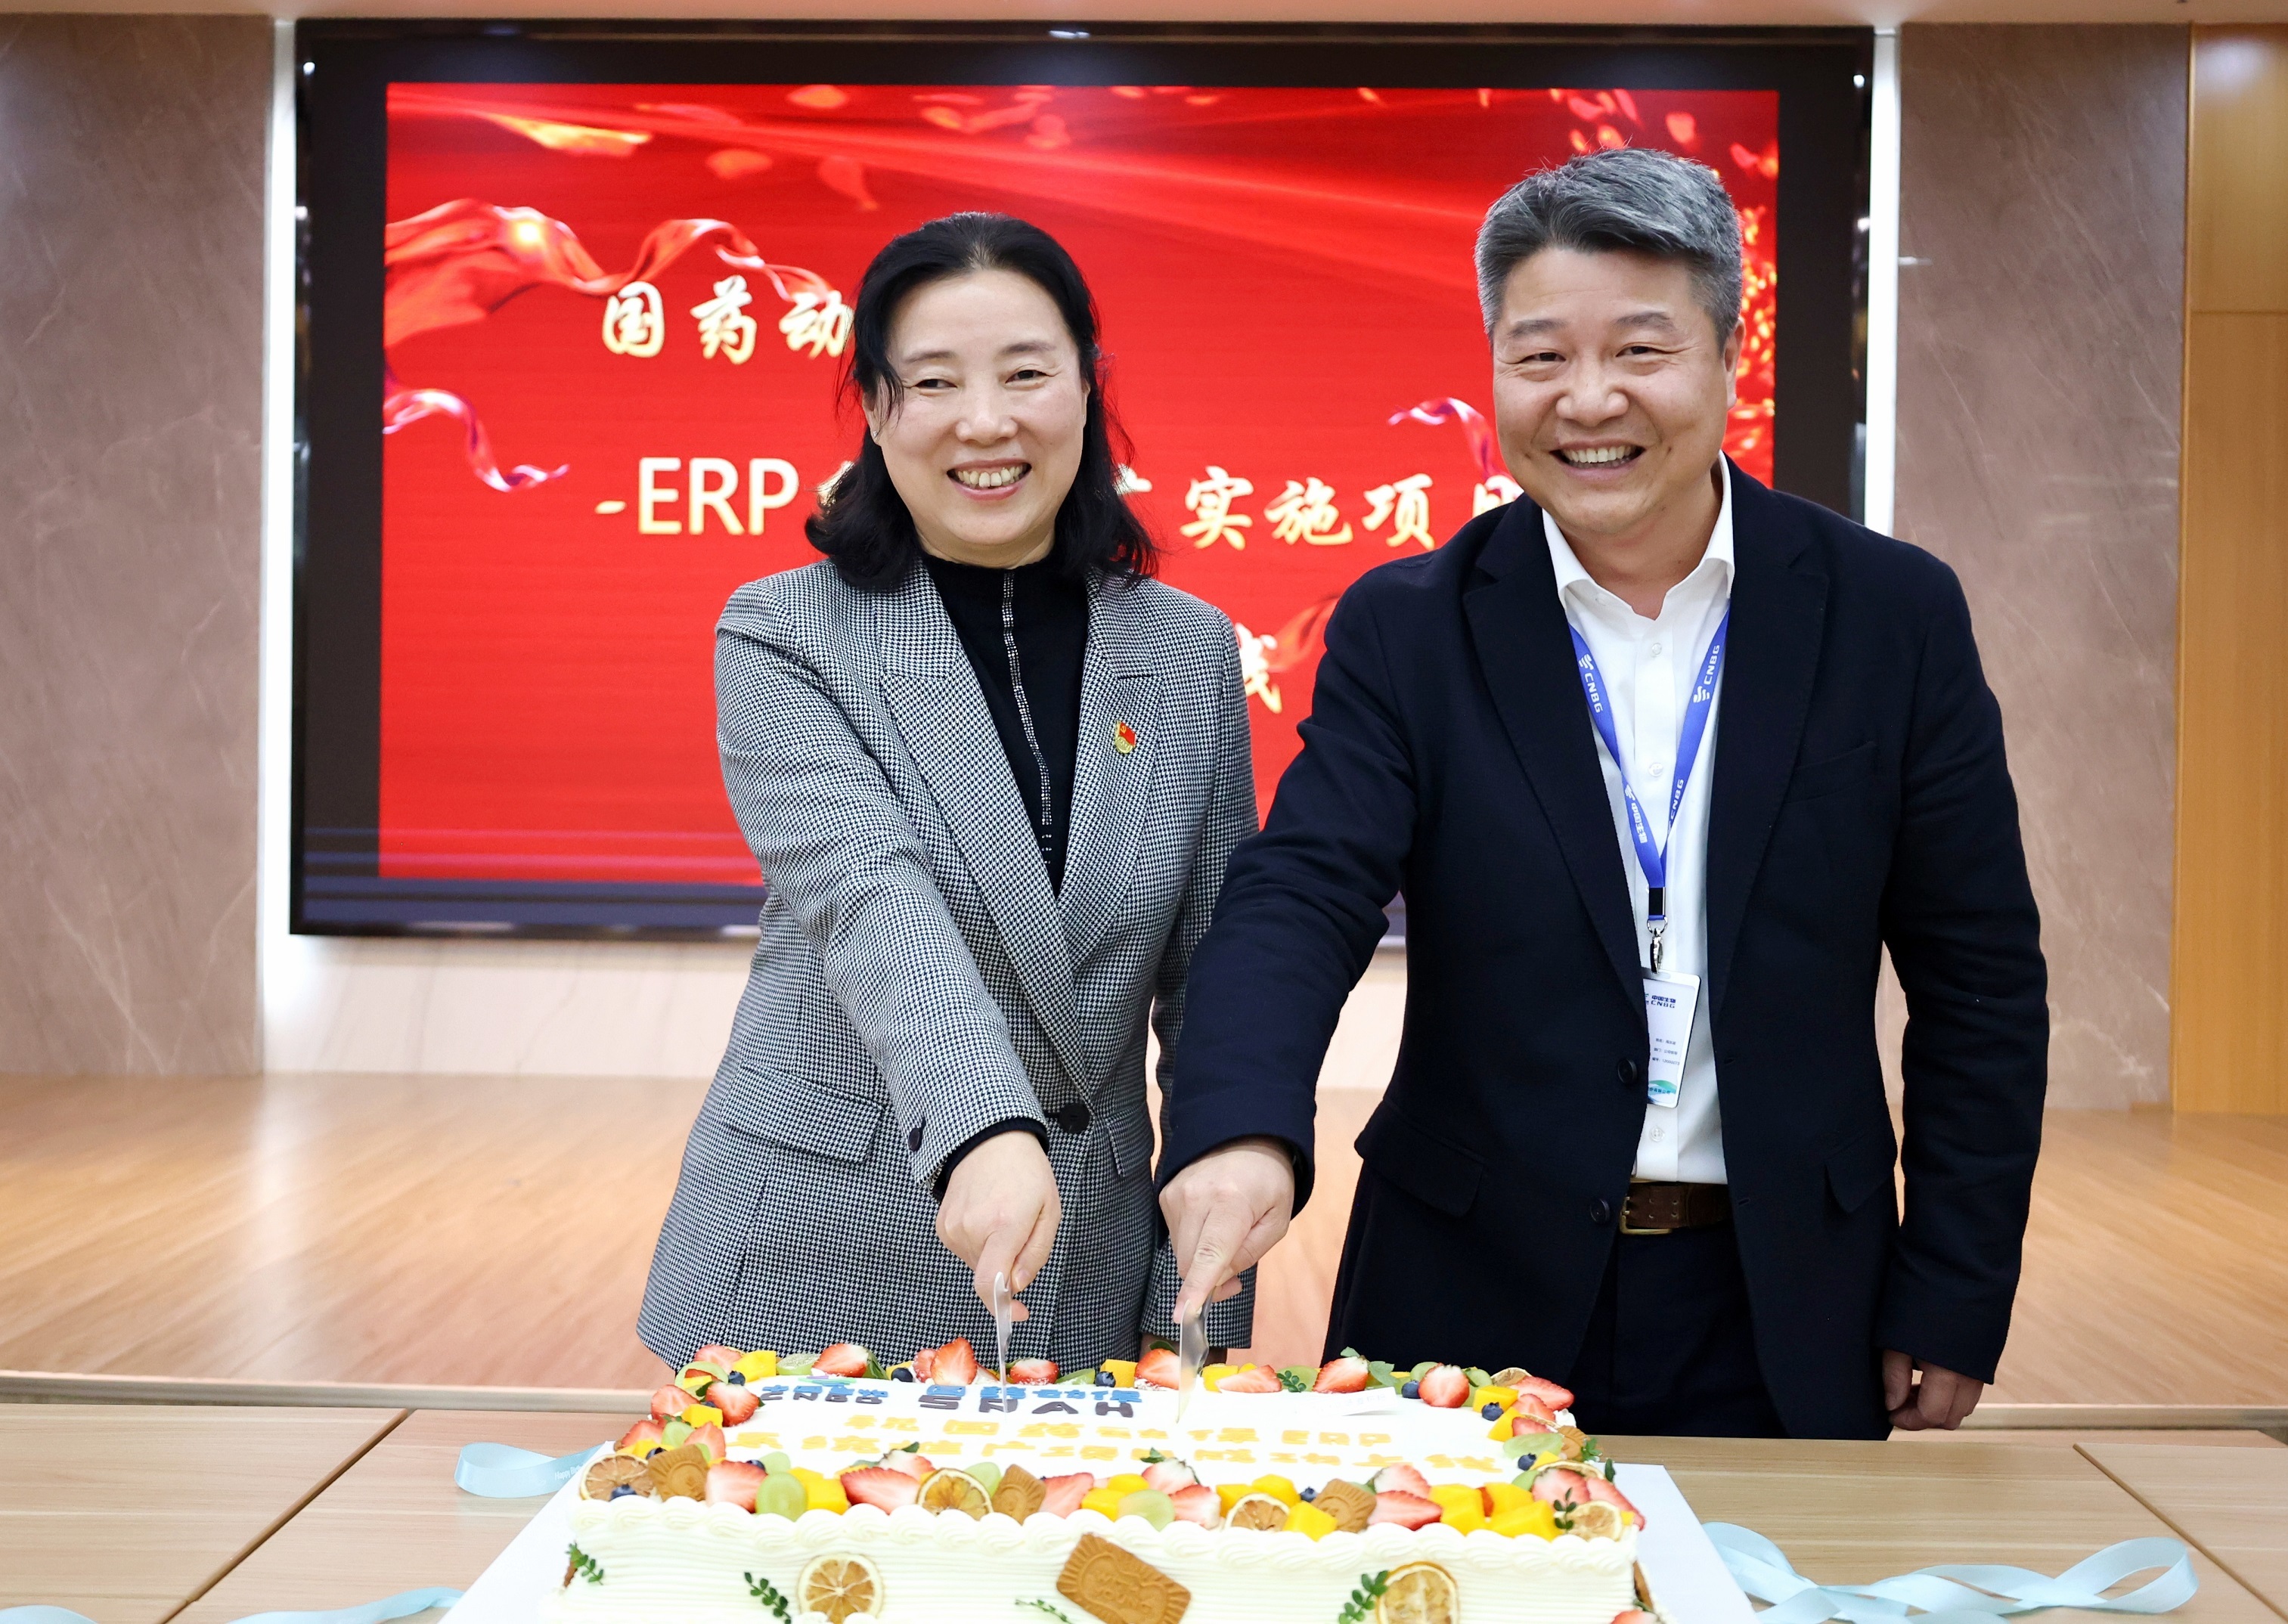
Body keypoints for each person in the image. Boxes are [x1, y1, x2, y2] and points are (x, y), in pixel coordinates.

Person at [1156, 149, 2048, 1440]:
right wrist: (1237, 1127)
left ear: (1727, 357)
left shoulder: (1887, 614)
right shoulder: (1411, 627)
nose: (1587, 400)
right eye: (1539, 357)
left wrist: (1955, 1284)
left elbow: (1978, 978)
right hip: (1465, 1286)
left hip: (1788, 1296)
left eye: (1639, 350)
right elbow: (1300, 893)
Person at [640, 213, 1257, 1375]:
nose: (984, 421)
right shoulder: (783, 632)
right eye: (933, 381)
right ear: (876, 411)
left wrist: (1198, 1310)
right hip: (817, 1257)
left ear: (1086, 387)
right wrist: (982, 1124)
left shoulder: (1187, 652)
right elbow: (872, 902)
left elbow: (1211, 992)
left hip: (1083, 1264)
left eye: (1025, 373)